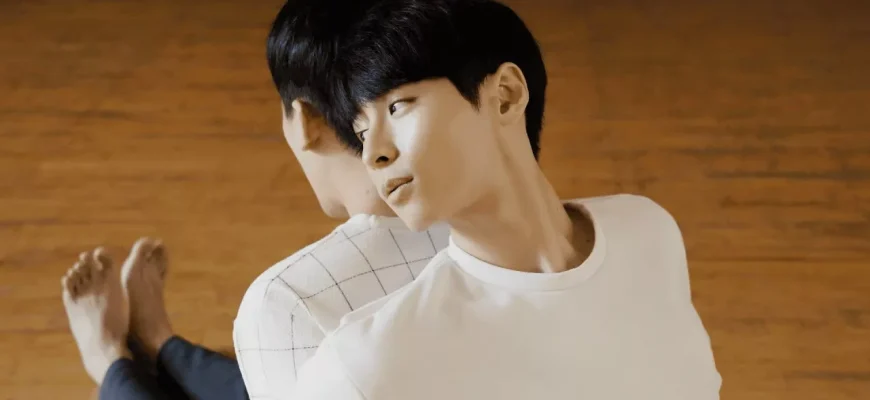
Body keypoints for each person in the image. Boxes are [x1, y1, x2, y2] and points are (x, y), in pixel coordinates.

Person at [280, 0, 722, 399]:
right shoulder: (367, 366)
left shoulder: (646, 231)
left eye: (397, 107)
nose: (373, 153)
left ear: (506, 95)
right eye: (360, 133)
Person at [58, 2, 450, 399]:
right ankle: (160, 344)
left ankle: (109, 359)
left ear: (307, 120)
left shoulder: (287, 300)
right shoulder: (474, 223)